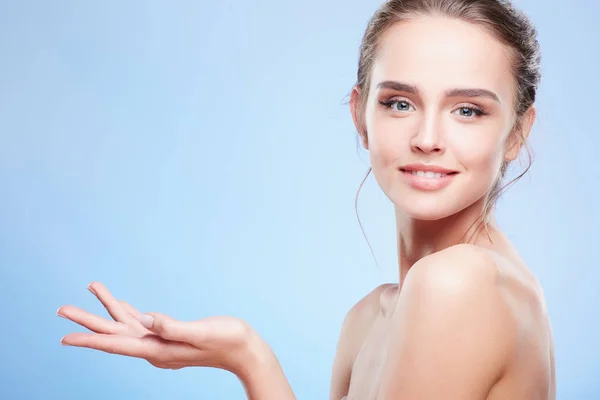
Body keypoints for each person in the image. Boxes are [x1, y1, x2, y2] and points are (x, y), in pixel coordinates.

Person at [56, 0, 555, 399]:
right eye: (399, 103)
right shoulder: (369, 319)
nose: (427, 137)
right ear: (361, 114)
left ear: (517, 132)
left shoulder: (458, 283)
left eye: (467, 110)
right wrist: (247, 355)